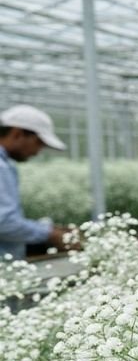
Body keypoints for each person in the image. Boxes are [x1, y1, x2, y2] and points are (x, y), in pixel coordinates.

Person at [0, 104, 75, 260]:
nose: (37, 151)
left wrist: (47, 229)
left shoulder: (7, 165)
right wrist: (51, 235)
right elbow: (4, 223)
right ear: (17, 134)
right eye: (38, 143)